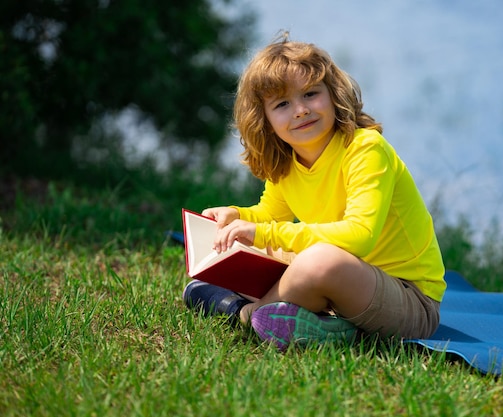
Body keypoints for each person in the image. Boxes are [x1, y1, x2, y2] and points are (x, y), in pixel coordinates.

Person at [183, 34, 446, 351]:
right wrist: (238, 216)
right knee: (255, 245)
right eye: (282, 104)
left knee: (318, 261)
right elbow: (270, 214)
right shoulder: (288, 161)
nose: (300, 110)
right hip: (347, 282)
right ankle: (328, 325)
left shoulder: (365, 149)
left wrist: (264, 233)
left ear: (333, 95)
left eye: (310, 94)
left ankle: (244, 312)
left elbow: (361, 235)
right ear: (264, 120)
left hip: (408, 299)